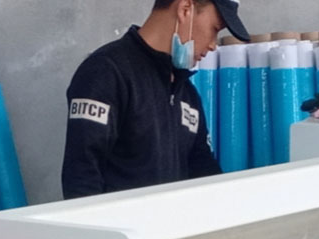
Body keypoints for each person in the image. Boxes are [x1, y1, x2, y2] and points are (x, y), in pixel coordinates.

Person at [62, 0, 249, 199]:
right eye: (214, 29)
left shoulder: (187, 93)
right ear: (185, 9)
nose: (213, 45)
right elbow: (82, 175)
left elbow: (204, 172)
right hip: (118, 219)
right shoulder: (106, 72)